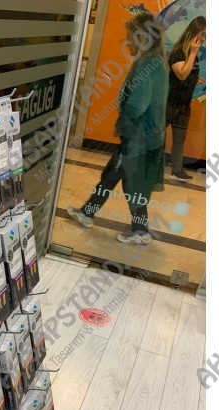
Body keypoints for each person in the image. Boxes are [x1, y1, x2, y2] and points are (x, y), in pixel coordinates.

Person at [68, 13, 168, 245]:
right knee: (113, 175)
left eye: (130, 37)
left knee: (132, 184)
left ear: (141, 38)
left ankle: (140, 231)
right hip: (147, 138)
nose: (127, 42)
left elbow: (136, 105)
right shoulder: (158, 62)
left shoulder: (146, 64)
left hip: (138, 139)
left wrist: (122, 123)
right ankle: (88, 212)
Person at [166, 16, 205, 180]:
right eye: (202, 34)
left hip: (183, 105)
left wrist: (195, 79)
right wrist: (193, 53)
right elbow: (181, 74)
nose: (203, 39)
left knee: (179, 139)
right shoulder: (178, 52)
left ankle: (177, 170)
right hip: (169, 103)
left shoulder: (192, 55)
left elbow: (186, 74)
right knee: (158, 135)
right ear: (194, 32)